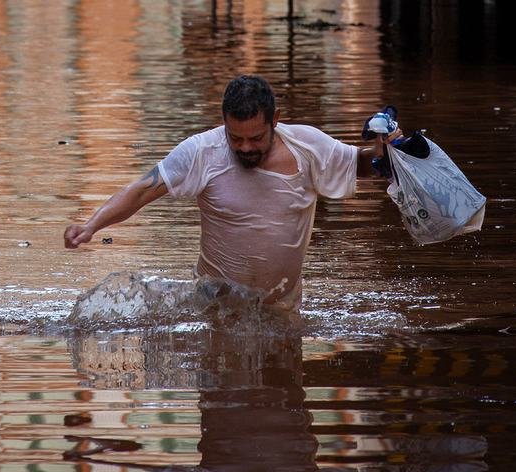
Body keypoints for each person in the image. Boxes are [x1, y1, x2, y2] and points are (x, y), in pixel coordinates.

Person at [63, 74, 400, 310]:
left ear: (275, 120)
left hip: (282, 310)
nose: (245, 147)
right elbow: (141, 190)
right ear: (223, 122)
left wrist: (387, 146)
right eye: (235, 138)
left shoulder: (307, 147)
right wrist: (92, 226)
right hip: (216, 308)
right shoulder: (201, 152)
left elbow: (361, 164)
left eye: (255, 138)